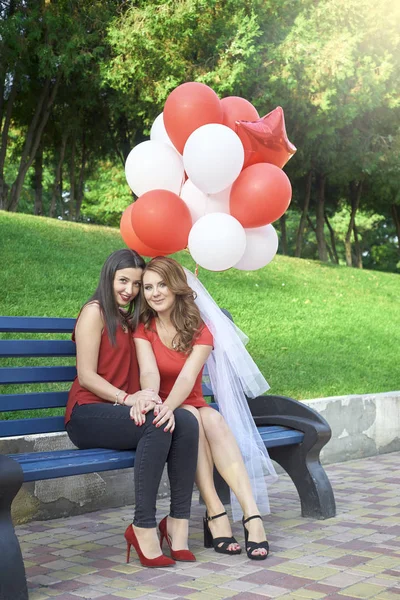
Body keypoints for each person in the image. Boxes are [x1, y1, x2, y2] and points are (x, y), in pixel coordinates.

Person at [133, 256, 277, 561]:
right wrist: (161, 403)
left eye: (162, 285)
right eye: (147, 287)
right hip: (161, 407)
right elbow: (149, 373)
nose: (155, 292)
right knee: (195, 419)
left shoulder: (200, 328)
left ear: (176, 288)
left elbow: (188, 377)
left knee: (212, 420)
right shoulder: (144, 327)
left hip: (184, 402)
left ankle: (250, 516)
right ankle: (216, 513)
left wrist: (171, 406)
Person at [65, 249, 199, 568]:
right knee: (157, 423)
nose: (130, 290)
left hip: (122, 413)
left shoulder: (131, 319)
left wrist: (148, 396)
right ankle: (143, 525)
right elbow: (86, 375)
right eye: (123, 281)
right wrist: (129, 399)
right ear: (109, 277)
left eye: (137, 284)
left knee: (183, 421)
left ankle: (178, 522)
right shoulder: (94, 312)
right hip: (87, 414)